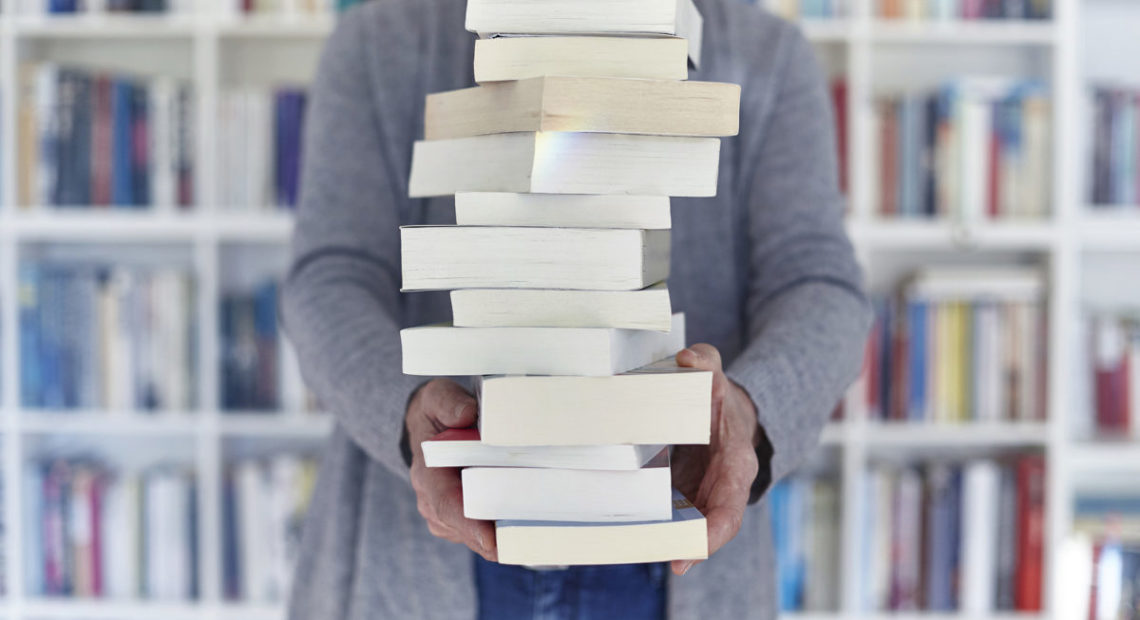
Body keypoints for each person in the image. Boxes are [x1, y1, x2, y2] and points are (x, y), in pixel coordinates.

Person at [281, 0, 871, 617]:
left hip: (671, 552)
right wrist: (404, 408)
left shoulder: (768, 56)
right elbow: (329, 276)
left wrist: (746, 412)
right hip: (419, 549)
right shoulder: (377, 44)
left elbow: (819, 285)